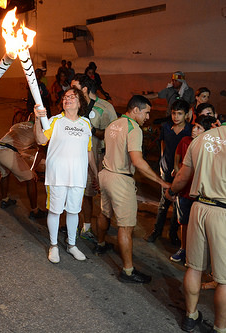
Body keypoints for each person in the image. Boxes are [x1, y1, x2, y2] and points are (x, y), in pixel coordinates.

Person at [165, 93, 226, 333]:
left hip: (199, 210)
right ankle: (221, 329)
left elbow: (183, 177)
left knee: (194, 267)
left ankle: (190, 316)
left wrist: (172, 192)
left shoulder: (201, 139)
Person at [97, 95, 169, 284]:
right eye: (146, 112)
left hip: (105, 174)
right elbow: (137, 161)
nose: (147, 117)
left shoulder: (114, 124)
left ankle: (100, 244)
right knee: (125, 226)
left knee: (105, 213)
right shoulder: (133, 128)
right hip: (120, 180)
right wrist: (161, 182)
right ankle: (128, 271)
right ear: (135, 110)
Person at [33, 88, 99, 264]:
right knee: (55, 210)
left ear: (79, 103)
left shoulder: (86, 124)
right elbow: (40, 140)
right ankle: (53, 245)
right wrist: (37, 119)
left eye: (72, 97)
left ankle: (72, 245)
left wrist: (95, 173)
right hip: (57, 176)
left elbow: (89, 151)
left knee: (74, 211)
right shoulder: (55, 121)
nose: (67, 99)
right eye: (65, 97)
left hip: (78, 177)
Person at [70, 74, 117, 251]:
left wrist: (93, 129)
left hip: (101, 158)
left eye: (74, 87)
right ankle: (86, 228)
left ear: (84, 89)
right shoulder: (76, 105)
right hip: (80, 158)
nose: (70, 92)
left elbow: (113, 134)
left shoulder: (105, 108)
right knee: (85, 193)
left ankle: (103, 233)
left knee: (104, 195)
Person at [169, 115, 218, 263]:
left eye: (199, 128)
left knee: (199, 227)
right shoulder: (186, 141)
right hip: (185, 190)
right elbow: (178, 161)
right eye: (194, 126)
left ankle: (195, 255)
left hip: (201, 194)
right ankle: (184, 249)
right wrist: (177, 173)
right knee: (184, 222)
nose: (194, 129)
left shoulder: (211, 148)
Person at [145, 100, 192, 244]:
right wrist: (162, 161)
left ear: (186, 115)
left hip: (181, 173)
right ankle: (156, 231)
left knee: (178, 205)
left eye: (179, 114)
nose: (176, 117)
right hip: (166, 170)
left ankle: (173, 234)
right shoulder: (166, 127)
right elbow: (162, 143)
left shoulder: (190, 130)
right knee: (163, 202)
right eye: (173, 113)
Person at [0, 116, 46, 219]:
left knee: (4, 174)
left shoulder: (17, 125)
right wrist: (32, 169)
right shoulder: (37, 131)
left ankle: (5, 200)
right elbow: (41, 152)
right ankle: (35, 211)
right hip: (8, 153)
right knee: (31, 179)